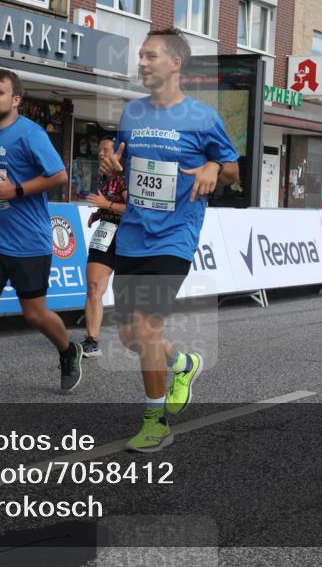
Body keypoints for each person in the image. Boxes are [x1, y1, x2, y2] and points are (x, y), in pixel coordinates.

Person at [100, 28, 240, 453]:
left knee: (144, 327)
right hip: (133, 235)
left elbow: (234, 172)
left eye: (150, 56)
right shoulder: (133, 114)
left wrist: (215, 168)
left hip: (175, 237)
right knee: (129, 336)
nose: (141, 63)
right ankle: (182, 364)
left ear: (175, 63)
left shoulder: (202, 117)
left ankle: (155, 422)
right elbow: (118, 162)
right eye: (140, 56)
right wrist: (110, 163)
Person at [0, 68, 82, 410]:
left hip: (30, 241)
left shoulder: (31, 134)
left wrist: (18, 190)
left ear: (16, 99)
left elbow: (59, 176)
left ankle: (69, 350)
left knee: (35, 313)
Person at [81, 137, 128, 358]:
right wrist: (99, 213)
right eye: (99, 149)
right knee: (93, 287)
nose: (100, 154)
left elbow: (134, 210)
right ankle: (92, 341)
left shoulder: (123, 177)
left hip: (129, 235)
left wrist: (106, 205)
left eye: (106, 150)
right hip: (105, 232)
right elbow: (107, 203)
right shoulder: (104, 176)